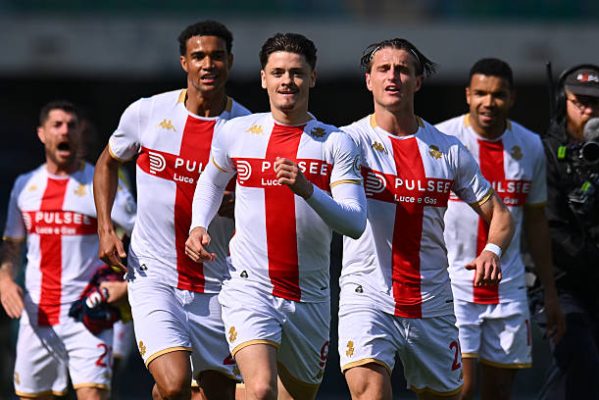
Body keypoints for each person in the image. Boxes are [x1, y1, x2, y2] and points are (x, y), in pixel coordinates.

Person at [186, 32, 367, 400]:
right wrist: (198, 225)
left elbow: (354, 223)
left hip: (310, 296)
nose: (288, 81)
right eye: (278, 72)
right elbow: (211, 182)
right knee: (261, 388)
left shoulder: (335, 142)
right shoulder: (236, 132)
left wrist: (306, 188)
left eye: (297, 73)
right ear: (263, 78)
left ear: (312, 77)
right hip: (250, 285)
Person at [338, 39, 515, 400]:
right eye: (383, 69)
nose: (393, 76)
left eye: (403, 69)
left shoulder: (447, 149)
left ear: (417, 81)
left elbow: (499, 213)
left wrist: (492, 250)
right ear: (368, 80)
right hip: (367, 296)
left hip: (432, 300)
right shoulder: (347, 141)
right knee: (370, 392)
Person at [93, 20, 250, 400]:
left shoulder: (247, 129)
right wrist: (105, 229)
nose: (208, 64)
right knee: (176, 383)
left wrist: (239, 204)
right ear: (184, 62)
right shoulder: (147, 112)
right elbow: (107, 163)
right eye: (199, 56)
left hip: (217, 282)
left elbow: (263, 203)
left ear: (230, 61)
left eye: (217, 56)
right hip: (154, 272)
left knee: (215, 395)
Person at [435, 58, 565, 400]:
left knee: (500, 391)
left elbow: (536, 221)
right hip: (453, 285)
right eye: (480, 93)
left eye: (498, 94)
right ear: (467, 94)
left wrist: (550, 292)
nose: (488, 102)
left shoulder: (531, 146)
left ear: (512, 97)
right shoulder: (442, 139)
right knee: (461, 388)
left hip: (508, 287)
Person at [0, 100, 136, 400]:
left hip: (87, 314)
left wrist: (127, 284)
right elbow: (12, 244)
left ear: (79, 134)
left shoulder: (102, 183)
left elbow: (143, 234)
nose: (65, 131)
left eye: (72, 126)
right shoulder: (25, 186)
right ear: (41, 134)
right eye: (57, 125)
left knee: (94, 395)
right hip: (37, 317)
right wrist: (5, 279)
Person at [537, 64, 599, 399]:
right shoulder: (545, 152)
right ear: (564, 102)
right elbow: (549, 227)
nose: (588, 110)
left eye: (596, 103)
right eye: (580, 102)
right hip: (562, 285)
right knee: (580, 361)